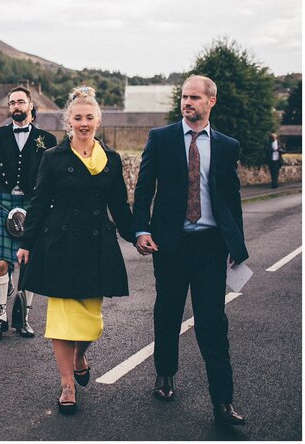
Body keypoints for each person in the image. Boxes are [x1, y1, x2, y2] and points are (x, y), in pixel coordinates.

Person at [132, 75, 249, 427]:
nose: (187, 102)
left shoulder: (227, 145)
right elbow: (143, 188)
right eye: (184, 97)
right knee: (167, 313)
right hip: (171, 244)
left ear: (211, 101)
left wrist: (236, 246)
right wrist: (141, 229)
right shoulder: (162, 138)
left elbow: (231, 198)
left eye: (195, 97)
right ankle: (165, 374)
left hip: (211, 247)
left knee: (212, 324)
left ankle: (223, 402)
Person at [16, 87, 134, 415]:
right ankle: (67, 384)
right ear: (69, 121)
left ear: (99, 120)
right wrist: (27, 242)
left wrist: (137, 234)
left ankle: (81, 354)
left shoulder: (110, 158)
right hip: (61, 244)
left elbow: (119, 205)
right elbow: (39, 202)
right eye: (78, 117)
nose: (84, 123)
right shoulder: (53, 157)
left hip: (96, 246)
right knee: (63, 318)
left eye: (89, 117)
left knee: (91, 321)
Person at [0, 86, 57, 340]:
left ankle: (25, 319)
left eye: (21, 102)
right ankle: (0, 317)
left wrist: (51, 209)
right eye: (12, 103)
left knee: (28, 264)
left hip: (34, 203)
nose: (16, 106)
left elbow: (52, 179)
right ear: (9, 108)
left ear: (30, 105)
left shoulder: (47, 140)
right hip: (1, 201)